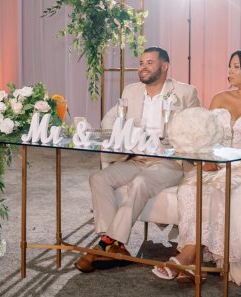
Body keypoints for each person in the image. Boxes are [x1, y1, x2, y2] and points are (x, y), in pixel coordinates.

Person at [152, 49, 241, 285]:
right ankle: (194, 261)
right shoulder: (219, 98)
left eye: (236, 67)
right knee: (190, 189)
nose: (229, 71)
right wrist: (208, 159)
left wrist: (231, 162)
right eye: (229, 66)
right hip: (213, 165)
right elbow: (205, 137)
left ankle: (188, 258)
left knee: (219, 191)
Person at [75, 46, 200, 273]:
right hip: (136, 159)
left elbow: (196, 129)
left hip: (168, 163)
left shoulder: (185, 92)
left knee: (140, 183)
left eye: (150, 63)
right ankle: (115, 246)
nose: (143, 67)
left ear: (164, 66)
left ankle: (104, 245)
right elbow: (111, 121)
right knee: (98, 178)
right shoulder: (131, 91)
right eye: (141, 63)